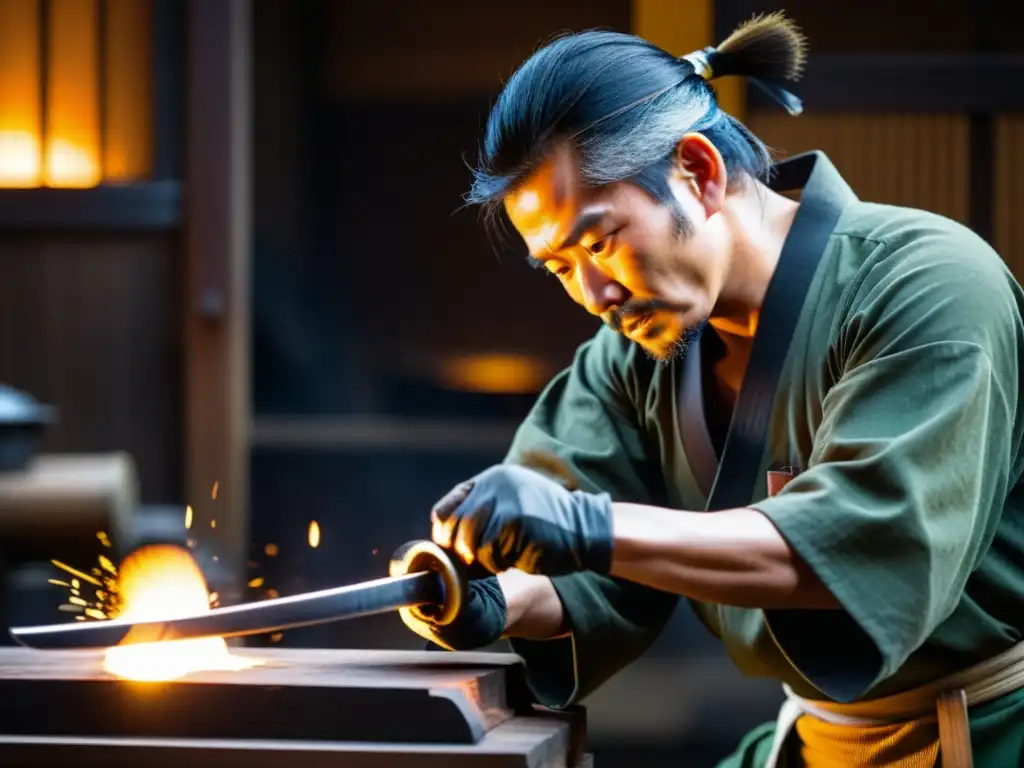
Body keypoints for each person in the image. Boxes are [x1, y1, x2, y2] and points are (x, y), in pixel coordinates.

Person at [398, 12, 1024, 768]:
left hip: (989, 733)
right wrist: (493, 598)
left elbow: (857, 548)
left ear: (697, 172)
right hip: (814, 743)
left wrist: (584, 525)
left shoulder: (931, 286)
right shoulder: (632, 358)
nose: (594, 292)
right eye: (561, 266)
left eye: (598, 241)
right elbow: (573, 560)